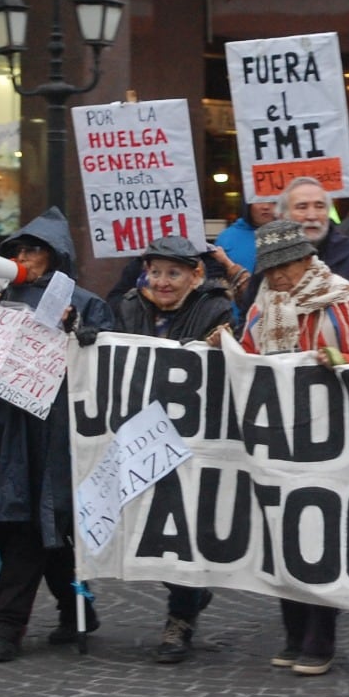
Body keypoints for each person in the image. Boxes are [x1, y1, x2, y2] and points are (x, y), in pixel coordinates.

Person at [216, 219, 349, 676]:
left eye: (281, 267)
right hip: (278, 438)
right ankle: (293, 632)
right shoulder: (262, 305)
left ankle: (319, 637)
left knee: (321, 533)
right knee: (282, 533)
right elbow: (250, 359)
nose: (274, 277)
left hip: (332, 437)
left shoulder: (343, 300)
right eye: (268, 268)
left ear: (303, 259)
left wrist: (340, 360)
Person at [0, 208, 117, 664]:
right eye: (18, 250)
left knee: (30, 522)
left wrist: (76, 330)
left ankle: (6, 626)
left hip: (47, 434)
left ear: (56, 257)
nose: (25, 257)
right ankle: (77, 606)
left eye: (35, 250)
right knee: (14, 525)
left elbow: (100, 357)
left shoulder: (85, 302)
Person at [111, 236, 234, 664]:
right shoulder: (128, 306)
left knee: (179, 526)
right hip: (142, 433)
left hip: (190, 438)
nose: (162, 282)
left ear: (195, 276)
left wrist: (222, 347)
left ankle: (179, 618)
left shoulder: (215, 309)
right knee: (150, 526)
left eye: (174, 273)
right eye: (156, 272)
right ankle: (190, 592)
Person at [245, 176, 349, 337]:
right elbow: (249, 317)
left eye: (320, 206)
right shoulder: (271, 259)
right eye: (302, 207)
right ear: (283, 216)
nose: (312, 215)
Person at [215, 200, 277, 274]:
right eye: (259, 201)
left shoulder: (290, 234)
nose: (266, 207)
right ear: (248, 205)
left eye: (273, 201)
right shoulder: (226, 238)